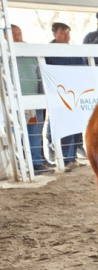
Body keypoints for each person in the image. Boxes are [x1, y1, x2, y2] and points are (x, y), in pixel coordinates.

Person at [10, 24, 52, 174]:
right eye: (13, 35)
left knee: (35, 132)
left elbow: (40, 74)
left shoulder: (30, 52)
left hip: (34, 99)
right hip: (13, 102)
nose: (18, 37)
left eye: (19, 34)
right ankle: (20, 164)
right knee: (16, 133)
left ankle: (36, 163)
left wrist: (42, 96)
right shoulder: (4, 55)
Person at [45, 22, 85, 172]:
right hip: (58, 93)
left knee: (74, 125)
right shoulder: (48, 51)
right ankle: (63, 158)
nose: (66, 36)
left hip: (74, 92)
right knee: (60, 125)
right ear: (55, 34)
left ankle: (71, 157)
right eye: (62, 33)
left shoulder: (74, 50)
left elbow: (82, 68)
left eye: (68, 33)